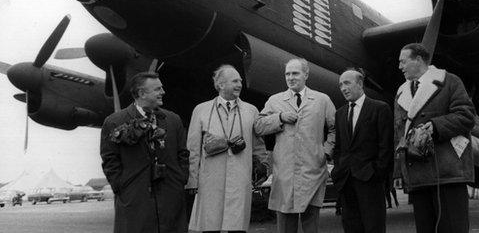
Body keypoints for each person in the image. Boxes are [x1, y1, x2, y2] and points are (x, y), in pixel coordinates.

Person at [394, 43, 475, 233]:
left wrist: (435, 126)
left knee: (453, 228)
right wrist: (399, 171)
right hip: (418, 176)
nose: (400, 67)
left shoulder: (449, 81)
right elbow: (398, 135)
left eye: (403, 61)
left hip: (447, 173)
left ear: (419, 60)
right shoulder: (400, 92)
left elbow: (466, 116)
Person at [100, 72, 189, 233]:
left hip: (170, 197)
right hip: (134, 198)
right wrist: (122, 186)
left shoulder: (173, 120)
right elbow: (110, 159)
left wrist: (180, 179)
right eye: (157, 89)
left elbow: (183, 154)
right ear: (141, 93)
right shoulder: (114, 121)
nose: (163, 92)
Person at [254, 58, 335, 233]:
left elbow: (335, 128)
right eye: (287, 74)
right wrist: (280, 117)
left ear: (306, 74)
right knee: (285, 224)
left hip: (312, 170)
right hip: (284, 172)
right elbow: (258, 126)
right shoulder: (275, 100)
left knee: (311, 224)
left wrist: (326, 152)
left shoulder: (322, 100)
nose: (290, 77)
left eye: (295, 73)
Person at [186, 65, 269, 233]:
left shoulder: (251, 110)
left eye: (240, 80)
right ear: (220, 85)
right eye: (234, 81)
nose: (239, 84)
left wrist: (263, 167)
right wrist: (192, 180)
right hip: (210, 180)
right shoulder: (201, 110)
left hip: (240, 178)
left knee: (236, 227)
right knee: (211, 225)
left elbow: (258, 145)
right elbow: (192, 149)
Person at [331, 69, 393, 233]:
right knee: (351, 227)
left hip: (370, 180)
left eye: (347, 83)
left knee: (374, 226)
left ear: (360, 84)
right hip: (346, 180)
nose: (343, 88)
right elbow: (339, 147)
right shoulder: (339, 114)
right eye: (340, 85)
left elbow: (386, 146)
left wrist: (377, 172)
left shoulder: (380, 108)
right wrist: (338, 171)